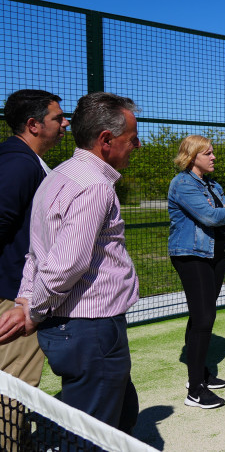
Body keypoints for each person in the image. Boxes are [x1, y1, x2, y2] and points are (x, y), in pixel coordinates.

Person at [15, 92, 142, 433]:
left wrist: (26, 299)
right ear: (106, 140)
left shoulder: (56, 176)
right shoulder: (95, 186)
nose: (138, 146)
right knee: (92, 433)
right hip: (90, 329)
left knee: (120, 414)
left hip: (78, 330)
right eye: (132, 139)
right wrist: (33, 310)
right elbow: (63, 267)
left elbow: (35, 253)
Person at [0, 90, 68, 388]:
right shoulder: (19, 165)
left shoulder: (26, 161)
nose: (66, 123)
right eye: (57, 118)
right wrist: (18, 300)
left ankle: (22, 437)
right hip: (12, 297)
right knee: (14, 389)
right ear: (33, 124)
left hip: (18, 293)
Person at [168, 135, 225, 409]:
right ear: (192, 156)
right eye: (207, 153)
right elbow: (213, 217)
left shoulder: (212, 184)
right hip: (191, 255)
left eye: (212, 152)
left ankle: (200, 374)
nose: (213, 157)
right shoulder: (183, 183)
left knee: (203, 315)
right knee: (204, 317)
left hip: (215, 253)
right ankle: (195, 390)